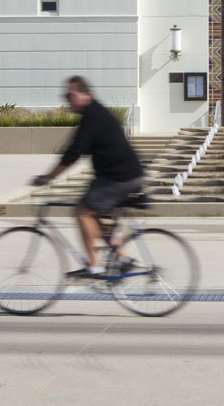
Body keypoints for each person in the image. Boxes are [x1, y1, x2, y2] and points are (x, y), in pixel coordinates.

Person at [31, 76, 146, 279]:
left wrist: (48, 177)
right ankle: (123, 257)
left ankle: (95, 266)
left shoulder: (93, 116)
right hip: (121, 175)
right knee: (96, 219)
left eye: (70, 95)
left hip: (120, 177)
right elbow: (74, 149)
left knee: (82, 212)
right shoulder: (94, 113)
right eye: (65, 95)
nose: (67, 100)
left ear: (86, 95)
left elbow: (73, 153)